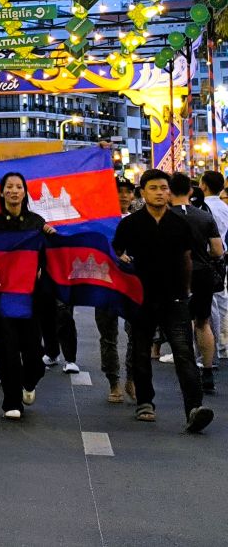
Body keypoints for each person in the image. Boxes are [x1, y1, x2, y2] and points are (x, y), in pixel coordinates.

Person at [113, 170, 213, 432]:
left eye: (163, 188)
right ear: (143, 192)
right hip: (141, 298)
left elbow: (187, 258)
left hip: (174, 298)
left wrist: (186, 291)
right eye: (154, 188)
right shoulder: (131, 224)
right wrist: (122, 267)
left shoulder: (180, 224)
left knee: (184, 352)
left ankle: (194, 408)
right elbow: (116, 251)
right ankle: (145, 402)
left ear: (169, 192)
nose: (159, 193)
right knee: (141, 351)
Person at [0, 172, 53, 419]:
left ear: (25, 192)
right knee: (7, 350)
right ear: (2, 192)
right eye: (9, 187)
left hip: (30, 297)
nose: (14, 191)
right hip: (1, 297)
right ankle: (11, 401)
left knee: (34, 356)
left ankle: (29, 381)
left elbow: (47, 255)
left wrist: (51, 236)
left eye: (19, 187)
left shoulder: (37, 222)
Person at [169, 172, 224, 395]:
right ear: (191, 191)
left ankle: (187, 371)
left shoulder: (165, 217)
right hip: (202, 273)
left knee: (179, 324)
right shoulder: (204, 217)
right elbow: (218, 250)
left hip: (175, 275)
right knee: (203, 322)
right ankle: (208, 371)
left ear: (169, 191)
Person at [96, 177, 139, 404]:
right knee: (108, 336)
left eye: (127, 191)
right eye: (118, 191)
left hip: (132, 284)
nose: (123, 195)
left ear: (133, 195)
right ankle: (113, 381)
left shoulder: (139, 220)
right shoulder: (101, 220)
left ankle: (132, 378)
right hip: (106, 284)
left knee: (136, 334)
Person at [198, 171, 228, 365]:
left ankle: (210, 350)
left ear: (204, 186)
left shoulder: (203, 207)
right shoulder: (225, 207)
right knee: (222, 301)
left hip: (206, 257)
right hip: (222, 257)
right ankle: (223, 347)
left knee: (209, 308)